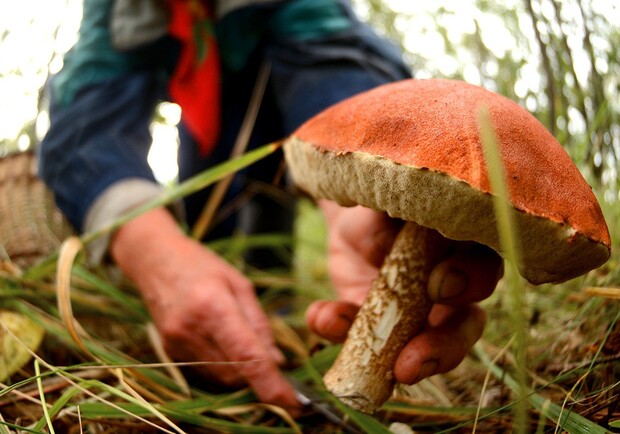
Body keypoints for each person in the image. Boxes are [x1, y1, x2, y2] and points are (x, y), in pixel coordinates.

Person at [39, 0, 503, 412]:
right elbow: (86, 117)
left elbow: (332, 57)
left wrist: (360, 200)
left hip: (281, 127)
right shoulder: (117, 10)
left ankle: (276, 328)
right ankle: (211, 349)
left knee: (270, 234)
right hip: (202, 132)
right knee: (205, 226)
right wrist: (152, 250)